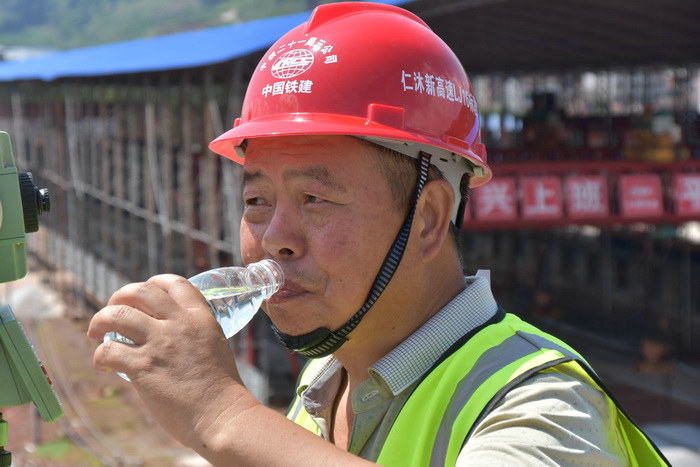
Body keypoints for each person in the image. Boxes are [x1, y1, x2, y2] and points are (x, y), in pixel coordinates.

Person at [88, 3, 668, 465]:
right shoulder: (327, 378)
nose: (274, 239)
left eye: (315, 199)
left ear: (429, 218)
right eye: (256, 201)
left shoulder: (542, 406)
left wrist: (223, 416)